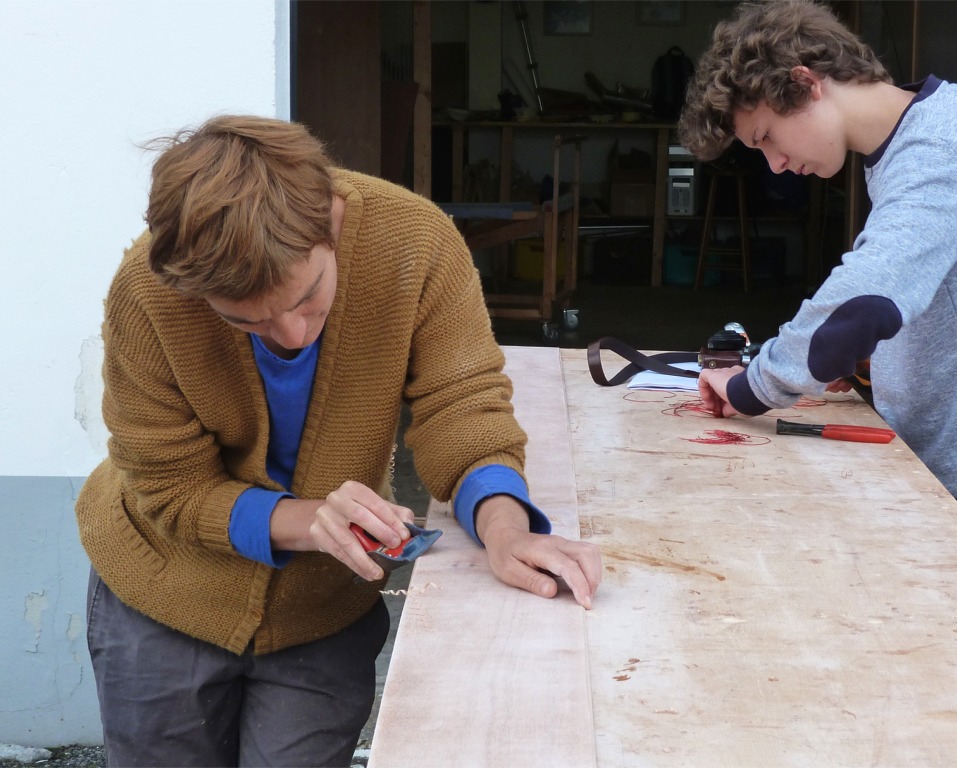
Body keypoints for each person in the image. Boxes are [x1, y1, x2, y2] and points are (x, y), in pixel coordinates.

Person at [76, 114, 602, 767]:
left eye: (308, 298)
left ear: (330, 218)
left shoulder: (414, 241)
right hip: (164, 591)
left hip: (322, 605)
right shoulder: (149, 291)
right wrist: (302, 520)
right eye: (248, 321)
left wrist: (505, 528)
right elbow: (169, 486)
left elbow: (459, 404)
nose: (292, 334)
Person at [678, 0, 957, 618]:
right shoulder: (916, 133)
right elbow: (932, 291)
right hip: (956, 486)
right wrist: (875, 363)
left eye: (765, 138)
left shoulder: (933, 158)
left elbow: (860, 304)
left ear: (807, 82)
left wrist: (753, 385)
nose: (775, 163)